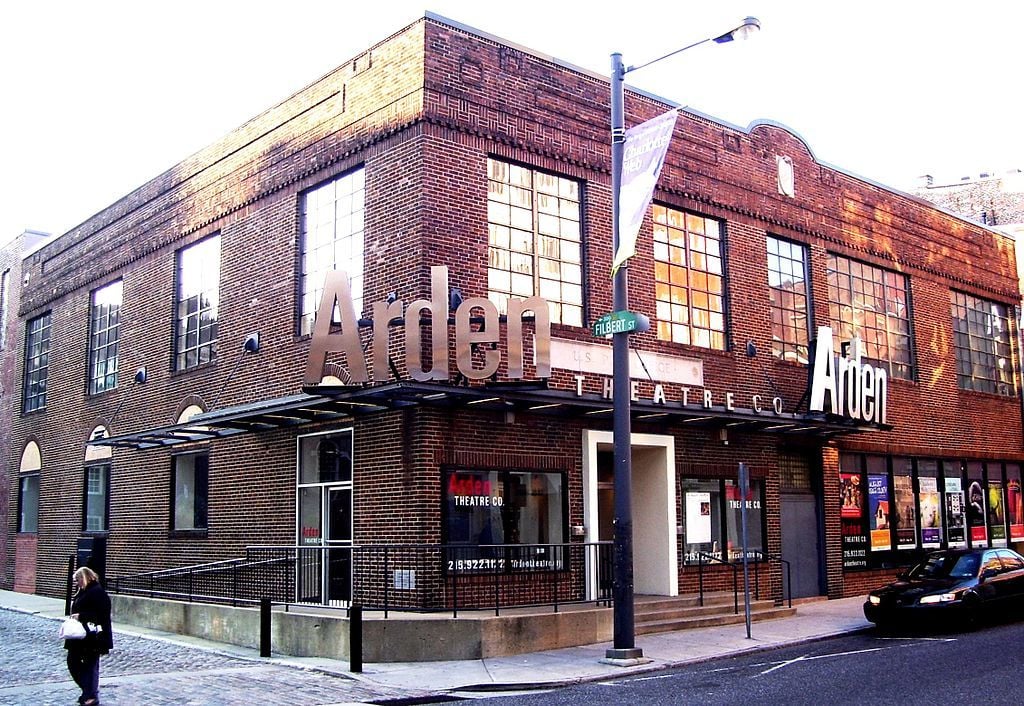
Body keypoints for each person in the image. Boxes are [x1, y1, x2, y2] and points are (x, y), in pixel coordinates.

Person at [64, 566, 113, 706]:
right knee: (73, 662)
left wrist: (81, 616)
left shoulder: (97, 592)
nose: (76, 583)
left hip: (94, 637)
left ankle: (90, 695)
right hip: (81, 637)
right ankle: (89, 692)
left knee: (91, 666)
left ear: (84, 577)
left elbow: (102, 615)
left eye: (77, 579)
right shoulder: (83, 591)